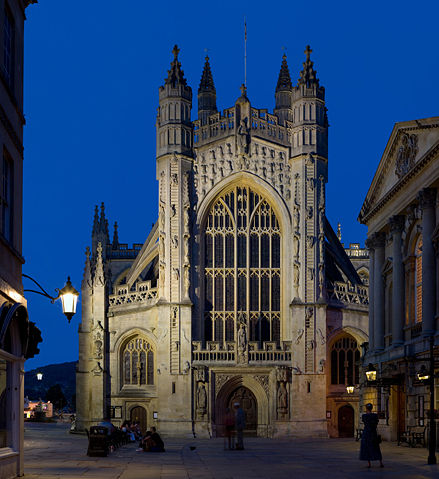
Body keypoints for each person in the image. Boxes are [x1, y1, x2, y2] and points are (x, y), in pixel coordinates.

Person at [359, 403, 384, 468]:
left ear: (366, 408)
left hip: (367, 433)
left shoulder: (364, 416)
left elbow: (364, 422)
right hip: (373, 433)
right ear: (372, 408)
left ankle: (369, 464)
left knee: (367, 448)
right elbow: (376, 423)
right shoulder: (375, 416)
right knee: (376, 447)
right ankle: (380, 462)